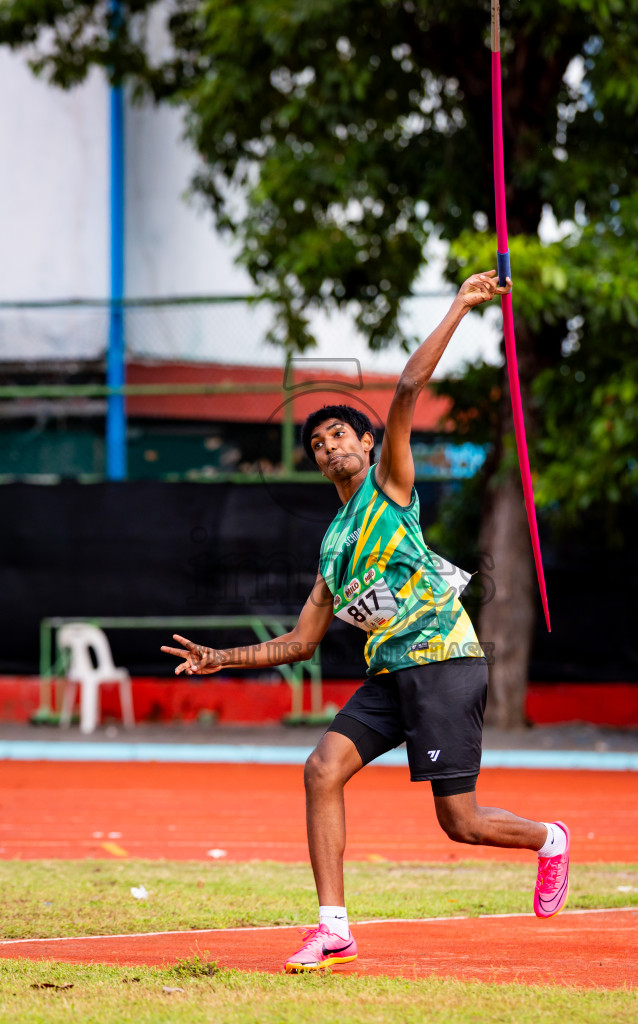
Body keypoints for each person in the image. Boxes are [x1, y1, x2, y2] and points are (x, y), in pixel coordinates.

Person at [161, 269, 570, 973]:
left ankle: (549, 838)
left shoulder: (390, 486)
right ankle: (333, 929)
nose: (327, 447)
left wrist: (460, 305)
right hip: (390, 676)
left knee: (460, 822)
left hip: (442, 661)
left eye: (337, 435)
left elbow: (408, 390)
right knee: (321, 769)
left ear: (364, 444)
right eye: (316, 444)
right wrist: (220, 659)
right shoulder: (331, 547)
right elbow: (300, 641)